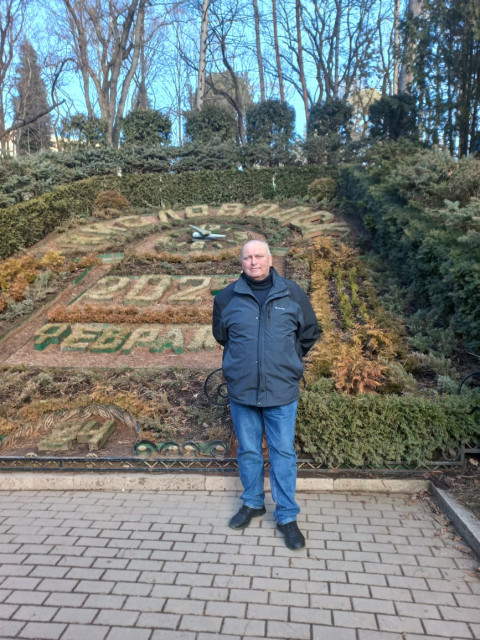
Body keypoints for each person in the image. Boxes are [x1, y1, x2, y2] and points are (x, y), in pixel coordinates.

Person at [212, 239, 320, 549]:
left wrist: (288, 359)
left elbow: (309, 333)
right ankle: (253, 503)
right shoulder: (227, 297)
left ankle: (286, 516)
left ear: (270, 259)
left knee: (282, 453)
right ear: (241, 262)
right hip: (242, 390)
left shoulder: (293, 293)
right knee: (248, 450)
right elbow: (222, 335)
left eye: (259, 256)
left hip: (281, 390)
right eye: (248, 257)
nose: (253, 262)